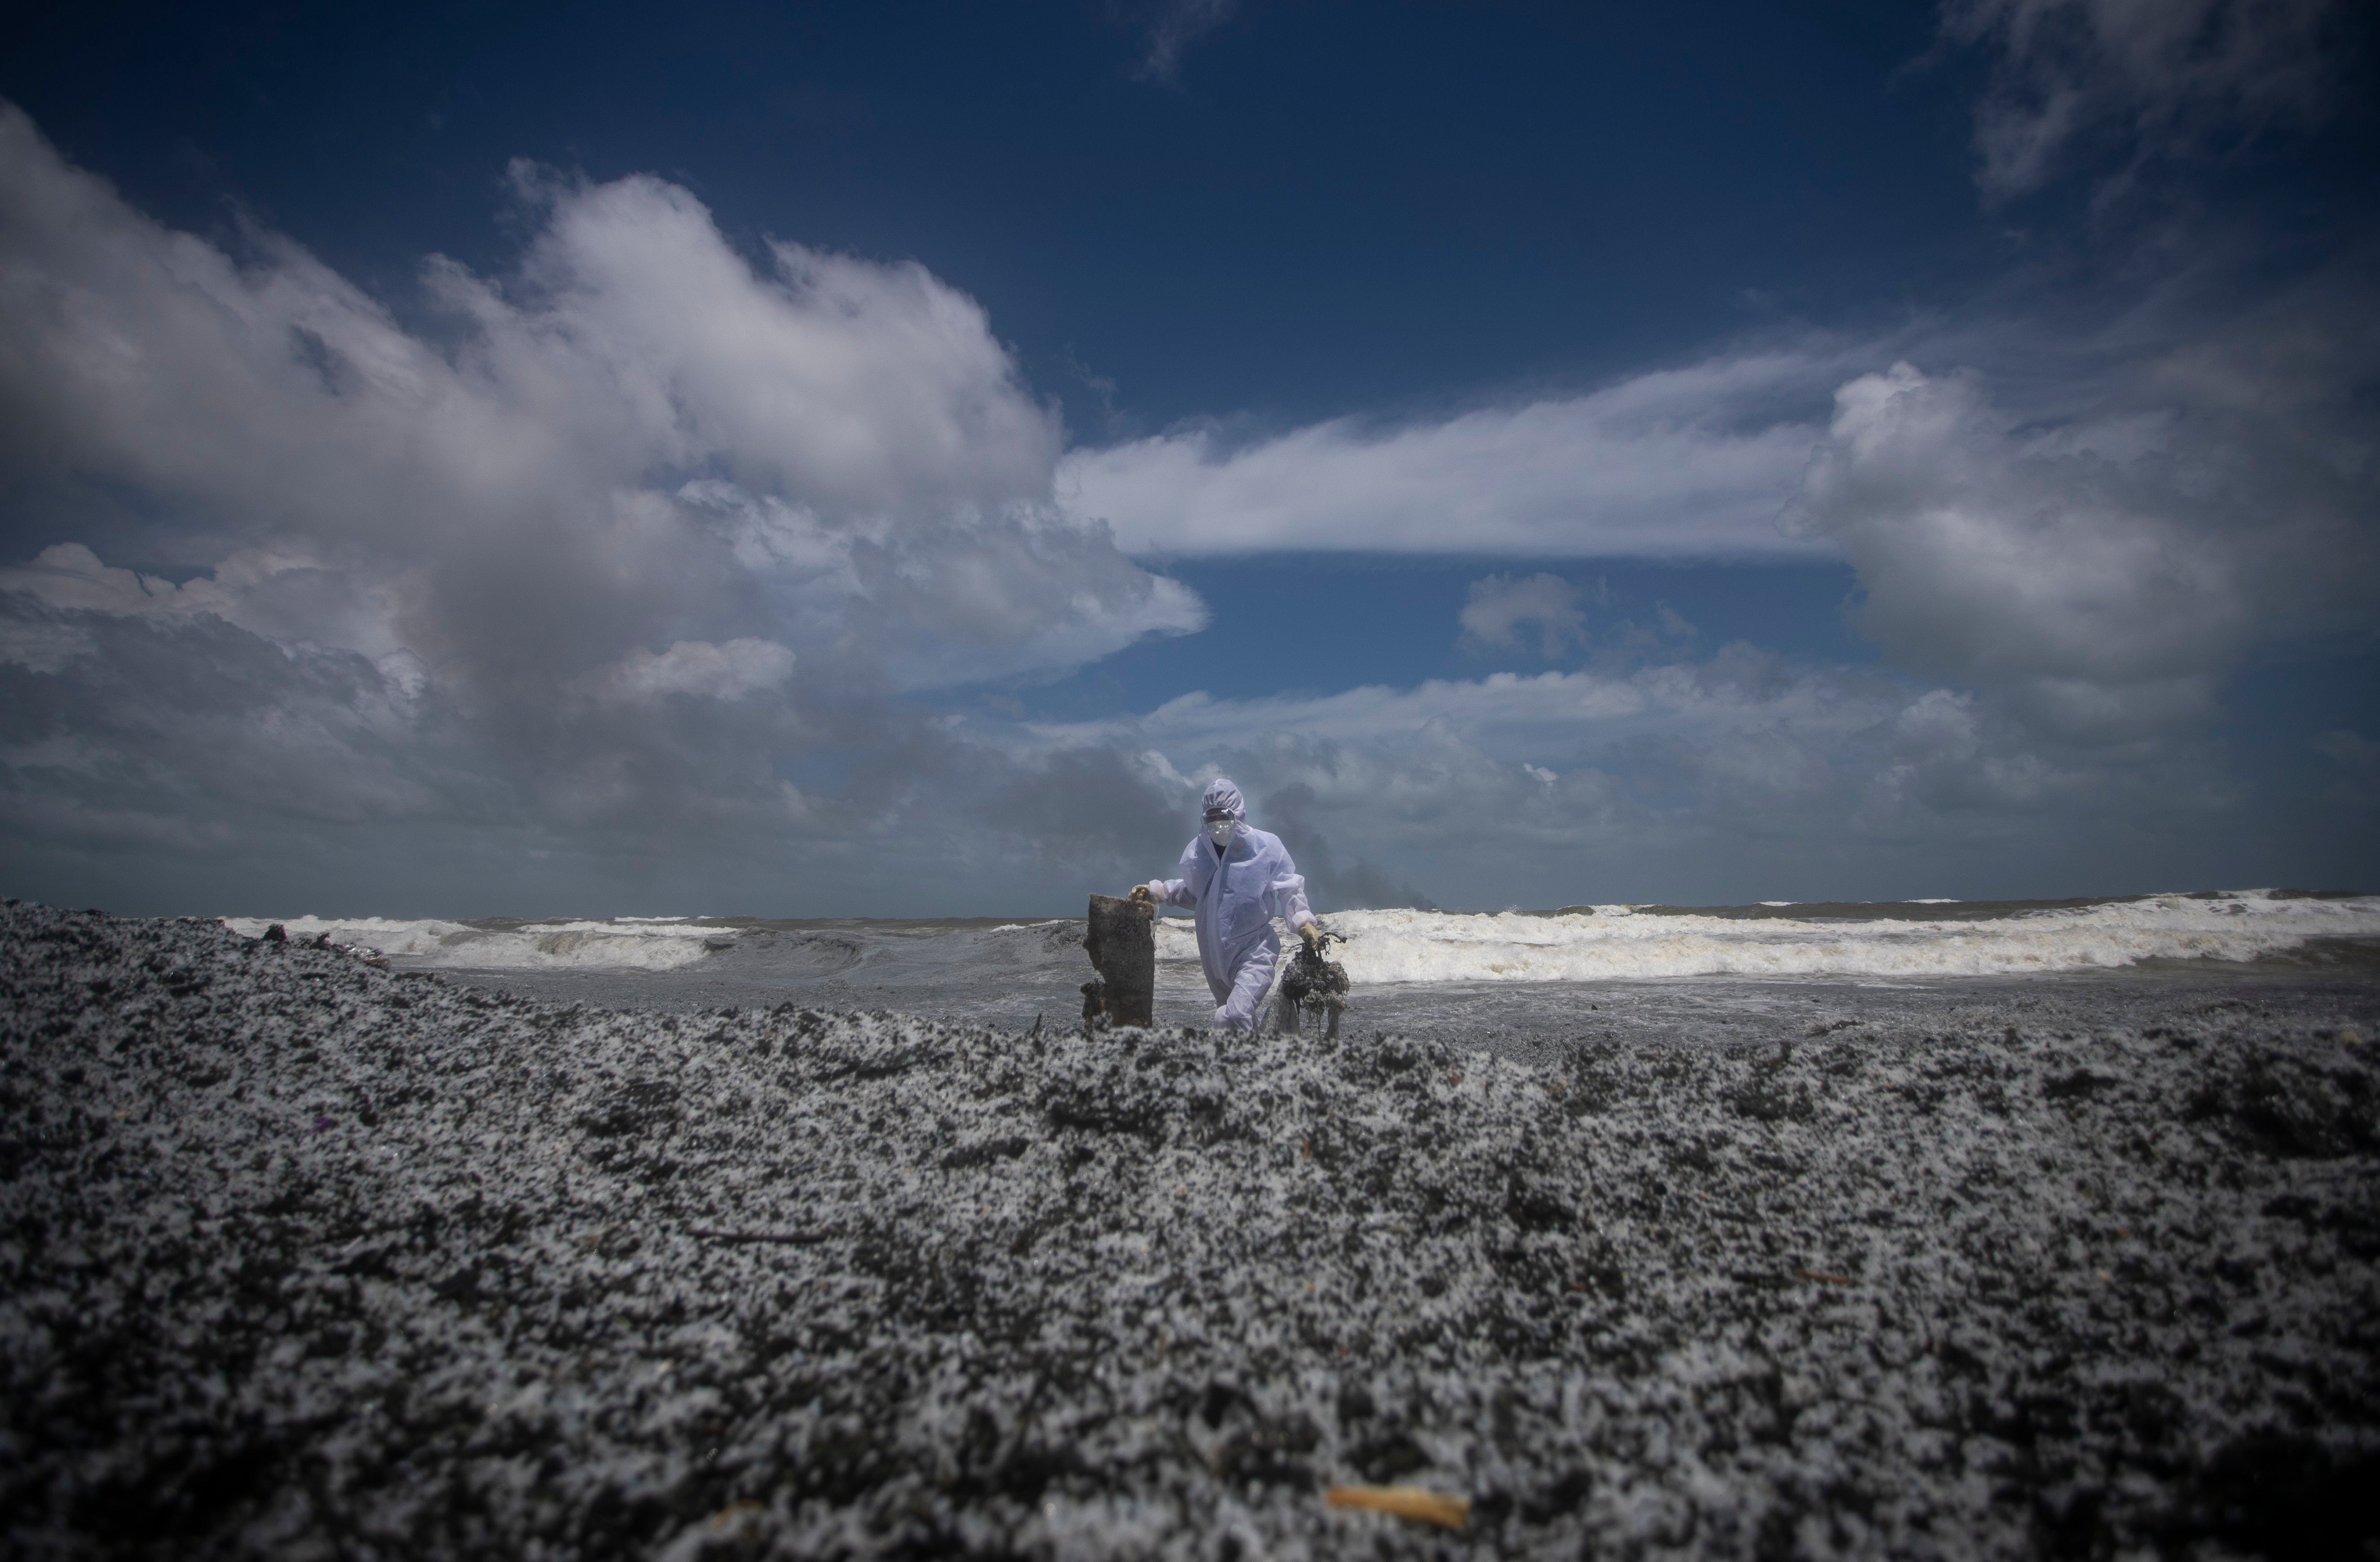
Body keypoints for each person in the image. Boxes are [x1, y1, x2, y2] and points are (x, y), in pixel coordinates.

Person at [1131, 778, 1323, 1033]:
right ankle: (1254, 1065)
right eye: (1210, 819)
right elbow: (1197, 894)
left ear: (1238, 813)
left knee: (1233, 1016)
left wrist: (1303, 921)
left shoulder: (1265, 848)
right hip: (1214, 959)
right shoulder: (1199, 853)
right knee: (1237, 1023)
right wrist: (1158, 892)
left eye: (1223, 816)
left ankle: (1241, 1063)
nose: (1217, 825)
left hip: (1255, 953)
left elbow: (1289, 887)